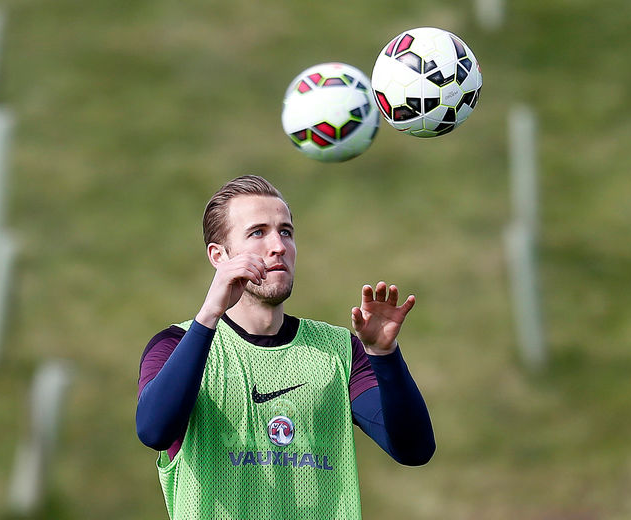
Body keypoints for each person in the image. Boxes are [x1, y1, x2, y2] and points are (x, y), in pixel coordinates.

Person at [136, 175, 435, 519]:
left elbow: (415, 449)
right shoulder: (175, 345)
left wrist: (384, 356)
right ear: (219, 255)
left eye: (286, 231)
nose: (278, 245)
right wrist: (209, 315)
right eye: (258, 232)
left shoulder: (338, 350)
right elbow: (154, 430)